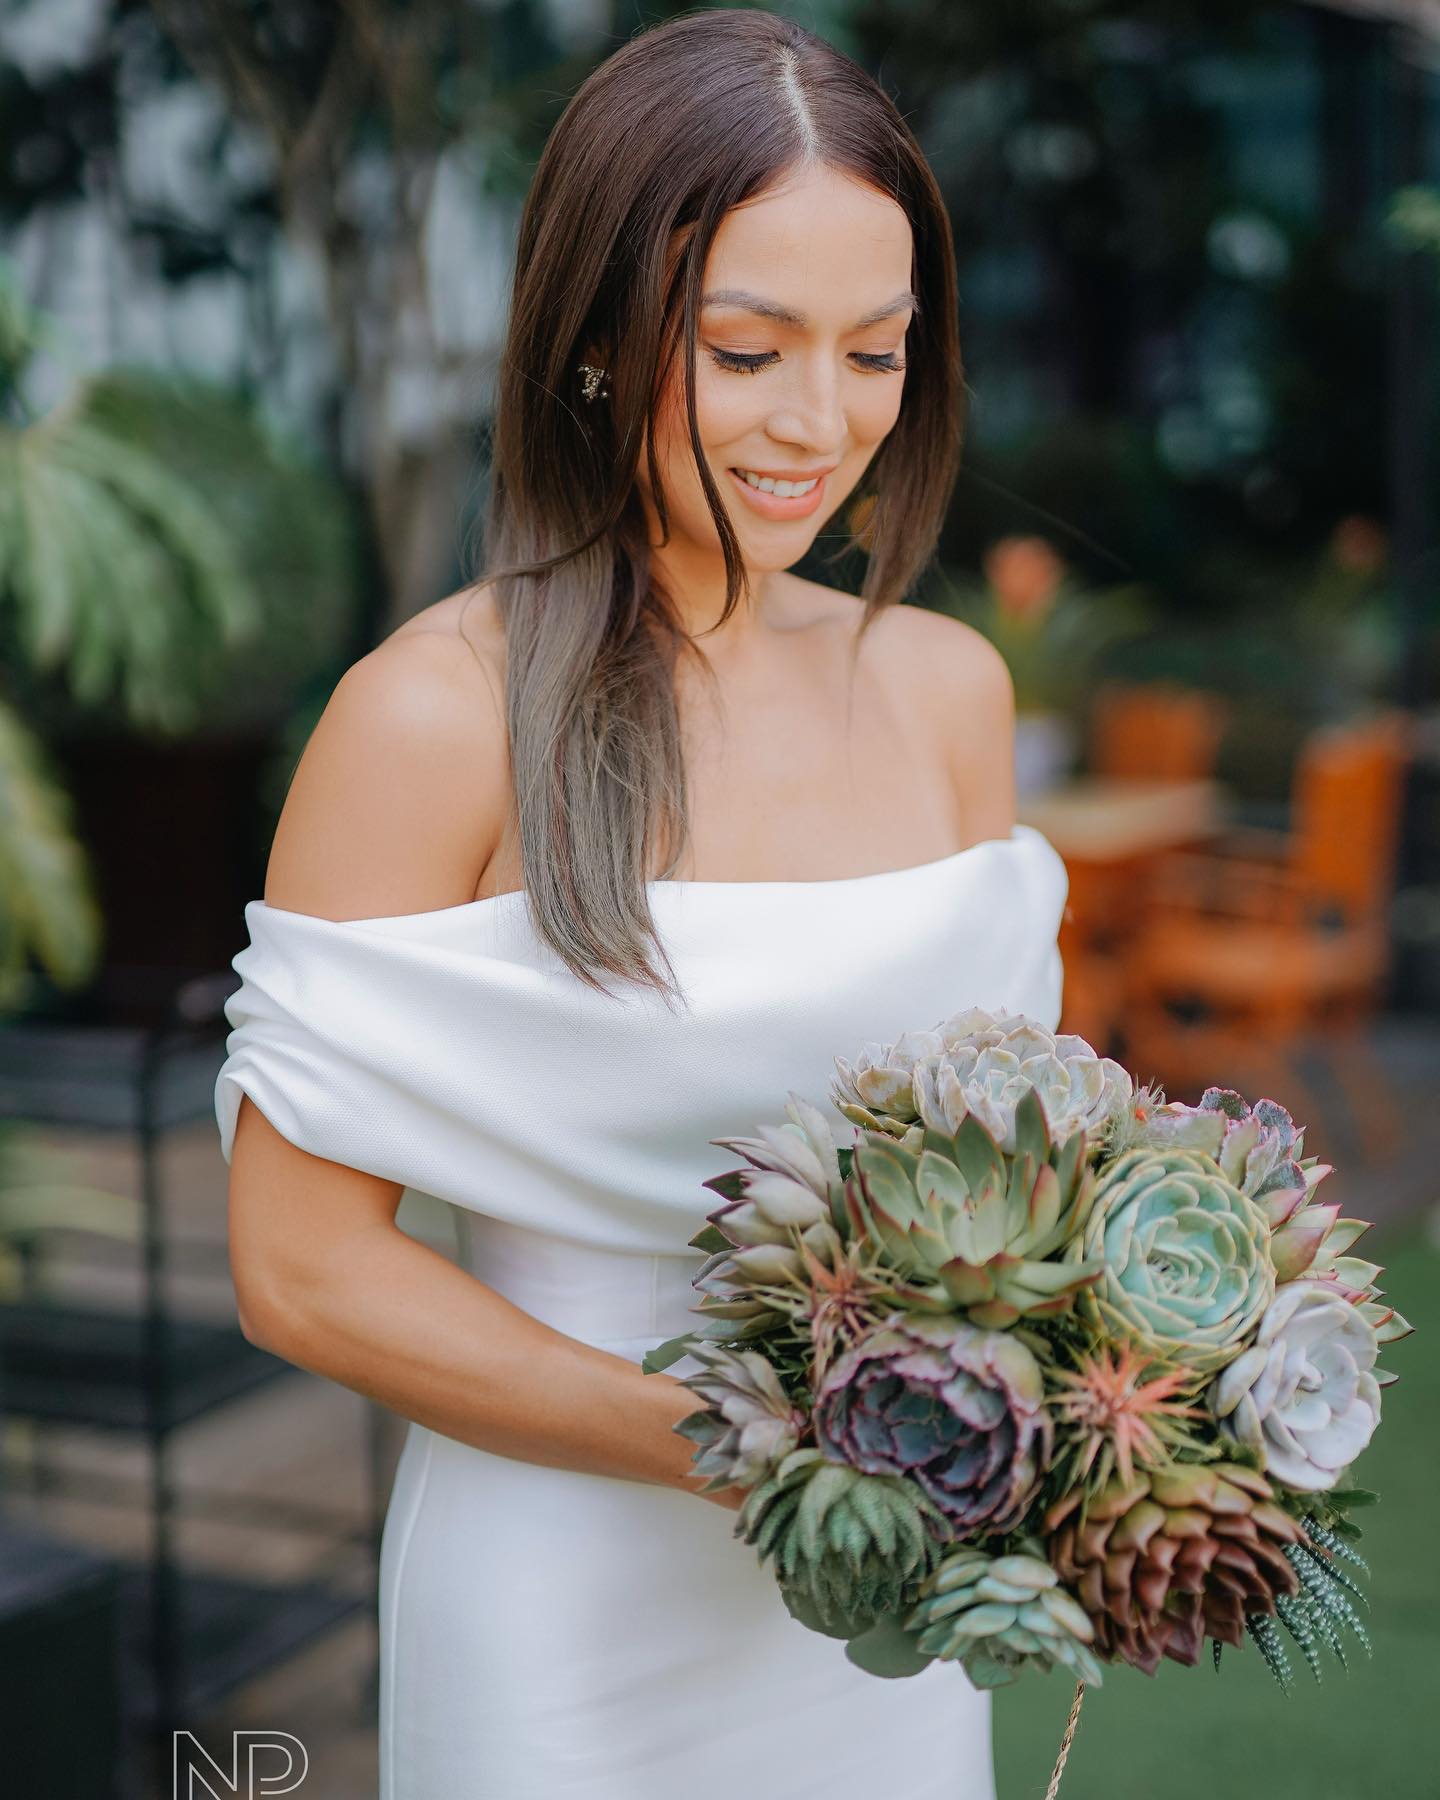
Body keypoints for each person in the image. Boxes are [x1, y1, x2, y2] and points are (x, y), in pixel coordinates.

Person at [215, 10, 1069, 1797]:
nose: (817, 425)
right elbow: (300, 1270)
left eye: (878, 352)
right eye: (748, 351)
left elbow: (1024, 1176)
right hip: (571, 1611)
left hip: (896, 1608)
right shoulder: (433, 717)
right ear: (601, 333)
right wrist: (742, 1447)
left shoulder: (948, 690)